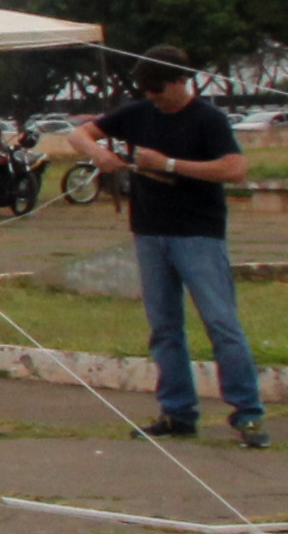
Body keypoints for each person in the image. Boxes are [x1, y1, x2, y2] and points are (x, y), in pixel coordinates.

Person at [69, 56, 264, 447]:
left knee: (221, 323)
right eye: (147, 91)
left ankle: (247, 414)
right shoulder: (138, 113)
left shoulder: (207, 119)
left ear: (180, 82)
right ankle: (177, 412)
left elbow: (234, 169)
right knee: (163, 327)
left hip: (198, 234)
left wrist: (170, 164)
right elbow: (79, 134)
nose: (153, 98)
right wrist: (98, 154)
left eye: (159, 89)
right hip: (149, 232)